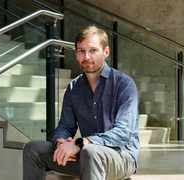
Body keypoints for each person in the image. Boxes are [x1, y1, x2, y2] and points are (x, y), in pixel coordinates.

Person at [23, 26, 140, 180]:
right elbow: (65, 126)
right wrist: (62, 143)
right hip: (85, 155)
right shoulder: (73, 88)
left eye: (93, 50)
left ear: (106, 52)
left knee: (90, 151)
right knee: (32, 149)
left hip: (122, 157)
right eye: (81, 51)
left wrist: (81, 143)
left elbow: (124, 132)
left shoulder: (124, 84)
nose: (86, 57)